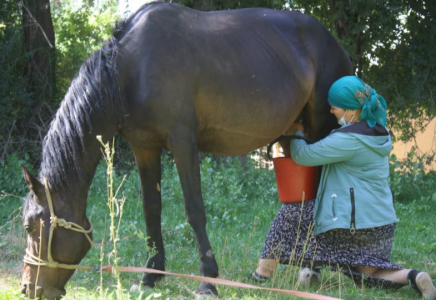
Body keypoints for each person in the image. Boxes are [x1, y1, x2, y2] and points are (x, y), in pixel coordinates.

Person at [249, 76, 436, 299]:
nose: (330, 111)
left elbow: (303, 156)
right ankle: (414, 276)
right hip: (382, 226)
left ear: (351, 110)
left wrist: (297, 132)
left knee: (292, 214)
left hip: (355, 226)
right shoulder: (378, 130)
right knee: (368, 273)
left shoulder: (348, 139)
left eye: (334, 107)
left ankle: (263, 273)